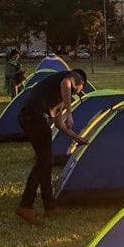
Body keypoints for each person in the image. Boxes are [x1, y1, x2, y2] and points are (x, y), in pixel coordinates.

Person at [16, 69, 89, 226]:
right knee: (44, 162)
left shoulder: (57, 95)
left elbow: (58, 123)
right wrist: (70, 113)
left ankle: (49, 206)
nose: (77, 93)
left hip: (30, 119)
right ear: (81, 83)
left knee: (46, 162)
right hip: (34, 118)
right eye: (80, 90)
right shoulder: (72, 77)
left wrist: (78, 139)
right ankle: (25, 206)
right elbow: (66, 83)